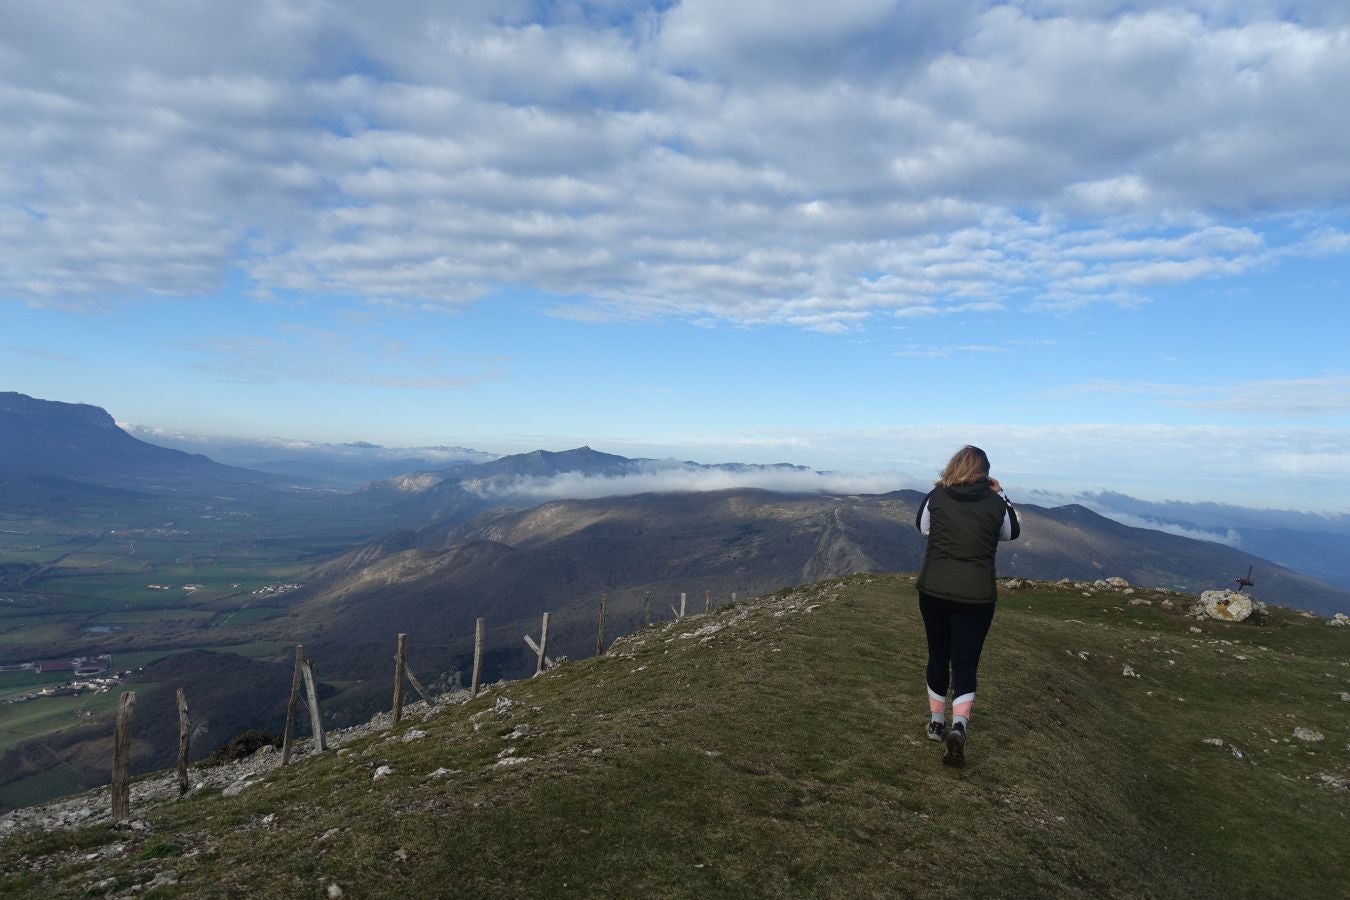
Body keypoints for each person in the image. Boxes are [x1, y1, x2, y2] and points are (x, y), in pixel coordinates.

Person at [914, 445, 1020, 767]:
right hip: (976, 597)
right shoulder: (994, 504)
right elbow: (1012, 532)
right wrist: (1001, 495)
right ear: (986, 474)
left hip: (934, 590)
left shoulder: (935, 498)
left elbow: (923, 529)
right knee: (965, 663)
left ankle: (936, 724)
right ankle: (959, 725)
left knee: (937, 654)